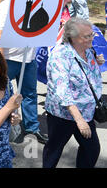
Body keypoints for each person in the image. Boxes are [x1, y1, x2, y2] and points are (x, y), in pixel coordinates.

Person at [43, 17, 103, 168]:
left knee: (92, 149)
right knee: (54, 150)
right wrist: (79, 120)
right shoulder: (60, 55)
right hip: (64, 114)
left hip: (86, 112)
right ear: (72, 37)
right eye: (87, 36)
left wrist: (97, 61)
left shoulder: (88, 50)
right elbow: (62, 90)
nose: (92, 38)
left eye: (92, 34)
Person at [0, 0, 48, 144]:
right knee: (1, 93)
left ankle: (32, 128)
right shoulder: (4, 7)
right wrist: (1, 65)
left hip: (28, 58)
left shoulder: (35, 4)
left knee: (29, 93)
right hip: (9, 59)